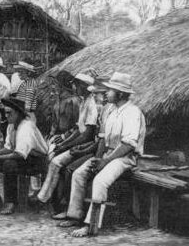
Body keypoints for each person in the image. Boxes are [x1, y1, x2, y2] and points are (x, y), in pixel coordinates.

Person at [58, 72, 145, 237]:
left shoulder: (132, 112)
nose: (106, 93)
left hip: (125, 157)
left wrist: (105, 162)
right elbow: (103, 140)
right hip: (108, 154)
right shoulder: (111, 110)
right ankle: (75, 215)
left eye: (111, 90)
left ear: (120, 93)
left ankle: (91, 225)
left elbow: (128, 145)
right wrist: (98, 158)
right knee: (79, 173)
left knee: (100, 181)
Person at [37, 69, 98, 206]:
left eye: (77, 85)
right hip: (80, 142)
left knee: (56, 161)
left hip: (87, 145)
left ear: (84, 86)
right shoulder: (84, 102)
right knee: (53, 156)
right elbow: (78, 129)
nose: (74, 88)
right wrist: (64, 143)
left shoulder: (91, 105)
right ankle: (47, 197)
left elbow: (87, 134)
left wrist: (65, 145)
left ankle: (52, 199)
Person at [0, 97, 48, 215]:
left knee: (9, 164)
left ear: (18, 113)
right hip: (23, 158)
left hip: (37, 161)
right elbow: (8, 148)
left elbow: (18, 154)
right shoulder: (11, 126)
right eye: (5, 112)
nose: (6, 115)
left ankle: (11, 202)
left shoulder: (27, 126)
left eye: (9, 112)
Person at [48, 71, 81, 139]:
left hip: (71, 137)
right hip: (58, 136)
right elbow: (54, 123)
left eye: (55, 84)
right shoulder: (57, 102)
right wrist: (51, 135)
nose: (53, 87)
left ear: (62, 85)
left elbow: (78, 125)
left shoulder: (74, 101)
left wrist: (64, 137)